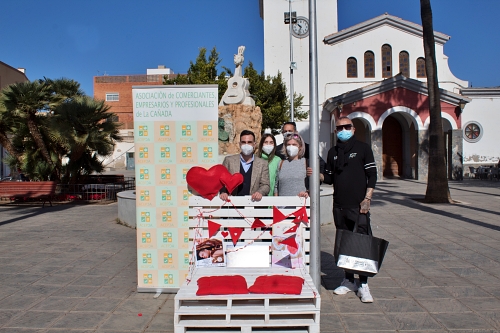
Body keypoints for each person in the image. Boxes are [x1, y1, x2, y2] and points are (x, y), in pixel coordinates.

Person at [323, 116, 377, 303]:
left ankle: (363, 284)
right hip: (339, 205)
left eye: (347, 126)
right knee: (345, 242)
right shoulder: (333, 152)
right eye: (339, 128)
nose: (343, 130)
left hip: (359, 205)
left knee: (361, 242)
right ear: (336, 131)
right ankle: (348, 280)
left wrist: (367, 198)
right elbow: (329, 178)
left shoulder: (363, 149)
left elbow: (372, 175)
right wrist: (316, 174)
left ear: (353, 129)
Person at [219, 130, 270, 201]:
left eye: (249, 142)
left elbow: (265, 185)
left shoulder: (262, 163)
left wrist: (260, 192)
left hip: (253, 204)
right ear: (239, 144)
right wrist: (223, 192)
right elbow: (221, 181)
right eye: (243, 142)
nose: (246, 145)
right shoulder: (229, 161)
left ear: (254, 144)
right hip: (232, 204)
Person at [275, 132, 309, 198]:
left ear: (300, 147)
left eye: (294, 144)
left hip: (300, 204)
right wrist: (276, 203)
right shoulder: (281, 163)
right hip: (282, 206)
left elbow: (311, 185)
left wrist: (307, 192)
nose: (291, 147)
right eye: (288, 144)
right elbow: (276, 186)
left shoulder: (305, 162)